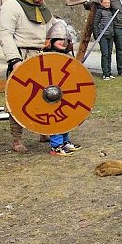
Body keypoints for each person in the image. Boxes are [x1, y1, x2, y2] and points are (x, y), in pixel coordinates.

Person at [0, 0, 58, 153]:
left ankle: (43, 130)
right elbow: (5, 34)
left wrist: (58, 41)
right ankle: (17, 139)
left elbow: (52, 28)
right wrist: (14, 60)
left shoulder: (42, 7)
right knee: (19, 98)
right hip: (20, 56)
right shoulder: (12, 6)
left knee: (46, 94)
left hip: (40, 56)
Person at [39, 20, 83, 156]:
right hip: (49, 94)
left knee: (66, 117)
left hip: (64, 92)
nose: (62, 42)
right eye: (59, 39)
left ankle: (65, 141)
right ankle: (56, 146)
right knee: (55, 119)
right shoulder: (44, 56)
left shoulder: (67, 57)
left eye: (65, 40)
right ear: (51, 41)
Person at [92, 0, 115, 80]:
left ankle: (109, 72)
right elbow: (95, 24)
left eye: (108, 2)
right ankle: (105, 73)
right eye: (105, 3)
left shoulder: (110, 11)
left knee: (109, 54)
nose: (107, 4)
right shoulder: (99, 11)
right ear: (101, 3)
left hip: (110, 35)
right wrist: (97, 36)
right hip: (103, 36)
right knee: (105, 54)